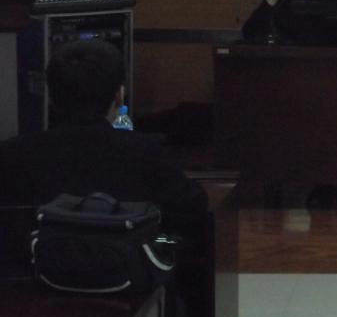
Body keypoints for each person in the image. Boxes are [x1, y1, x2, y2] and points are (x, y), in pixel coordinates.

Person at [0, 40, 207, 234]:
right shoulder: (146, 153)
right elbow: (193, 207)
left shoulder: (12, 155)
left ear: (51, 95)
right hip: (127, 262)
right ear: (118, 96)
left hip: (37, 260)